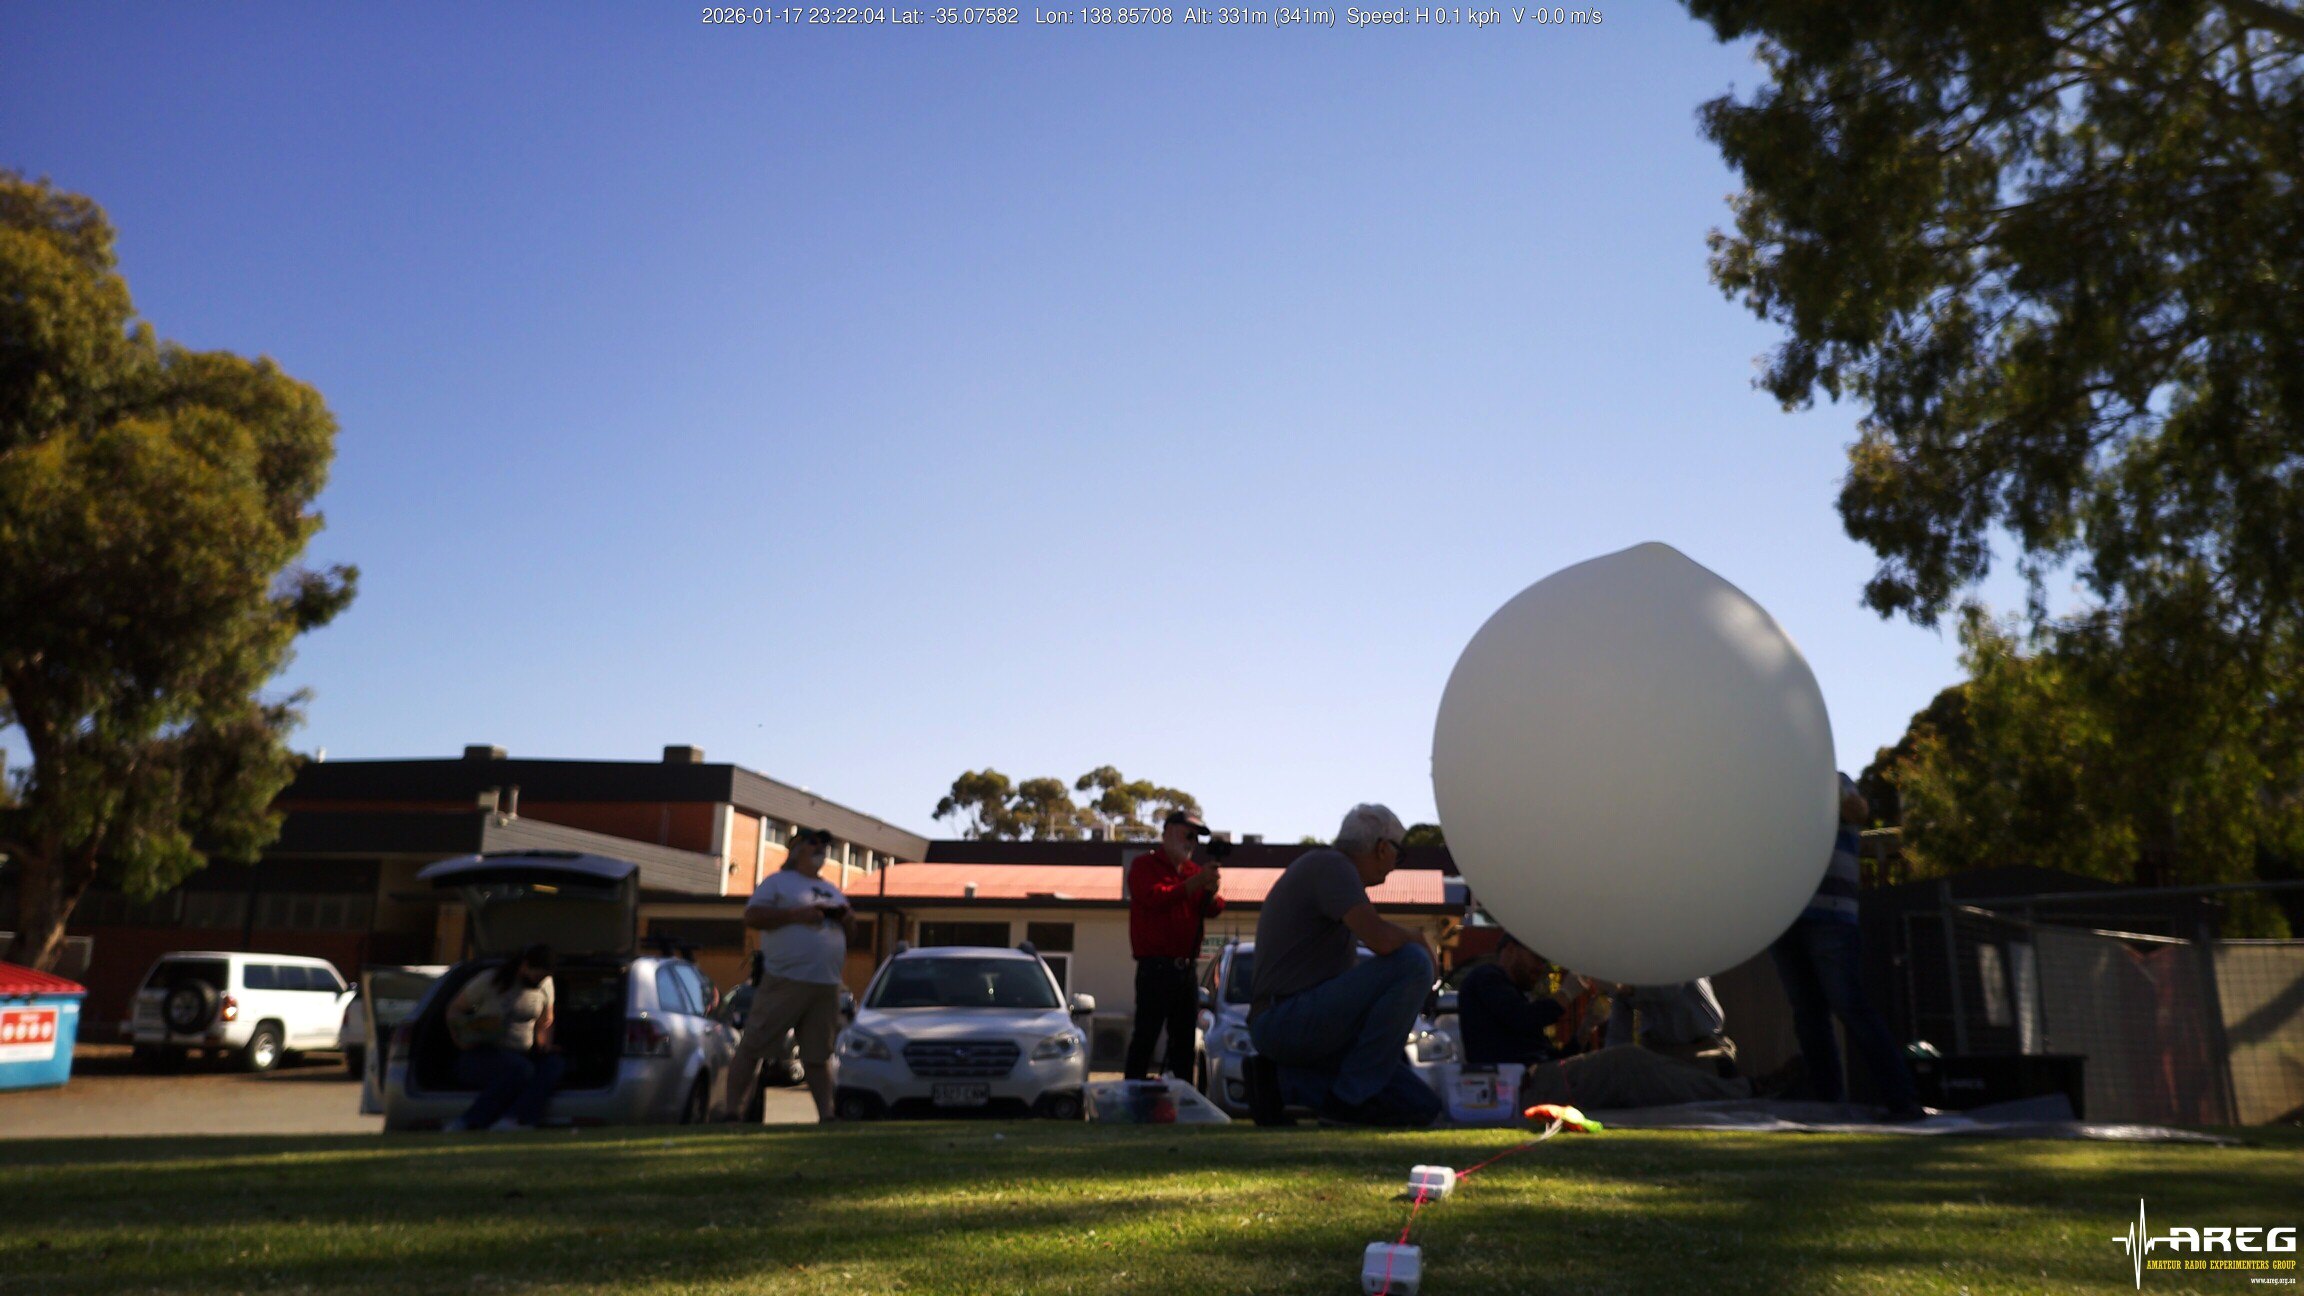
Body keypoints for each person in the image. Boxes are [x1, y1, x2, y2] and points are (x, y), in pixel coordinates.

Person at [1246, 803, 1442, 1128]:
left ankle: (1279, 1082)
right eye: (1399, 854)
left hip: (1294, 1020)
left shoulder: (1327, 869)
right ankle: (1347, 1102)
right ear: (1382, 848)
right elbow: (1381, 939)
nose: (1395, 864)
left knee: (1421, 1105)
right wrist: (1418, 938)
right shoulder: (1333, 866)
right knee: (1413, 962)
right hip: (1285, 1019)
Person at [1768, 772, 1923, 1118]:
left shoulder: (1831, 778)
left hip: (1830, 915)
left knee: (1849, 1005)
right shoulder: (1775, 786)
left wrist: (1824, 787)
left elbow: (1858, 812)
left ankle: (1900, 1099)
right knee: (1808, 1014)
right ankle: (1829, 1102)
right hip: (1784, 916)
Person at [718, 826, 851, 1123]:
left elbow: (849, 933)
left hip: (826, 984)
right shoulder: (777, 883)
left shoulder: (832, 889)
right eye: (814, 842)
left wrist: (847, 920)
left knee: (817, 1055)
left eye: (824, 844)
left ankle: (827, 1116)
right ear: (796, 848)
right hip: (786, 980)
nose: (821, 848)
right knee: (754, 1046)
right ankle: (731, 1112)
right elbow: (752, 916)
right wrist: (796, 915)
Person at [1124, 808, 1226, 1083]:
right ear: (1168, 832)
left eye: (1195, 838)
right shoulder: (1145, 866)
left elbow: (1213, 909)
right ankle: (1132, 1093)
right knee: (1146, 1035)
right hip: (1155, 968)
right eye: (1187, 835)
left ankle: (1182, 1093)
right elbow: (1157, 898)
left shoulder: (1194, 871)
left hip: (1186, 969)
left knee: (1183, 1041)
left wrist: (1211, 889)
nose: (1192, 843)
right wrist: (1196, 882)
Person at [444, 942, 562, 1131]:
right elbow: (454, 1010)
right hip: (483, 1053)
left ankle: (514, 1120)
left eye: (544, 976)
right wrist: (461, 1040)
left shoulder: (545, 985)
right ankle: (468, 1122)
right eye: (537, 975)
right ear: (524, 965)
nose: (539, 980)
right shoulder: (489, 980)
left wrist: (544, 1045)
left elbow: (546, 1020)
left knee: (553, 1065)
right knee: (520, 1069)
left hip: (523, 1054)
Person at [1457, 935, 1586, 1068]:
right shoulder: (1486, 977)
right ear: (1511, 949)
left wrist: (1587, 1025)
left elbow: (1557, 1060)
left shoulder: (1515, 996)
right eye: (1537, 958)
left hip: (1535, 1074)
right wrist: (1565, 994)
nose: (1541, 968)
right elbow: (1522, 1018)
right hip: (1513, 1077)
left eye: (1544, 962)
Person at [1603, 978, 1740, 1076]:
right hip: (1661, 1056)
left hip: (1704, 1050)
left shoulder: (1675, 955)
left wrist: (1624, 988)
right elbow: (1617, 1037)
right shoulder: (1625, 980)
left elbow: (1670, 988)